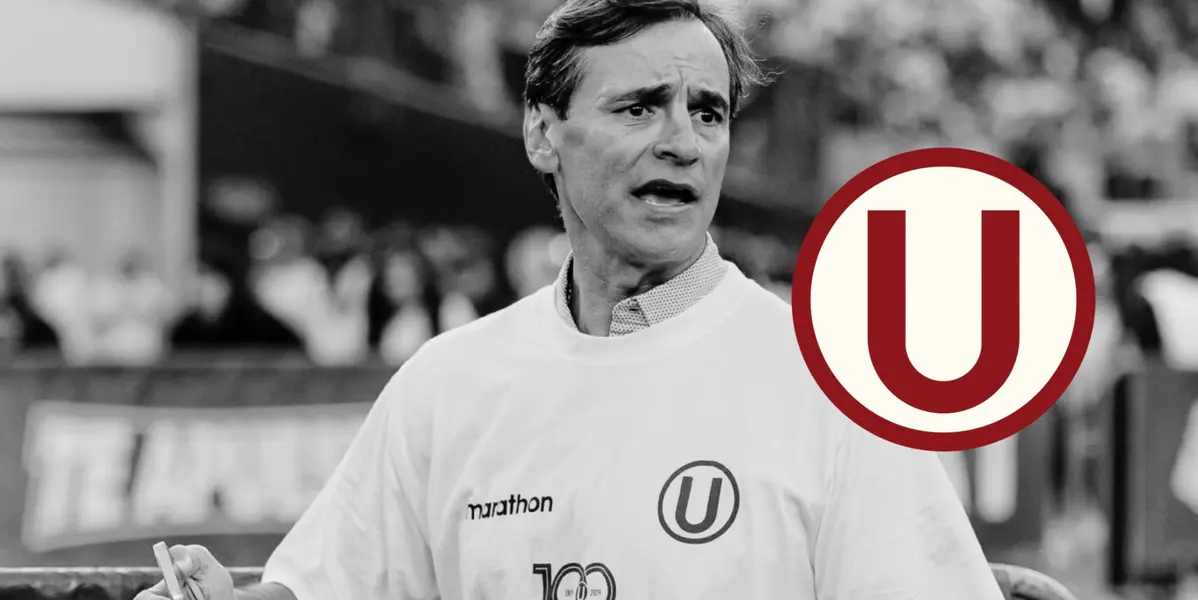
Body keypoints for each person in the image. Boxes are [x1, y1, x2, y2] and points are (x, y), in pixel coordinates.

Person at [137, 1, 1006, 598]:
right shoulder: (450, 384)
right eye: (640, 108)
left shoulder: (830, 384)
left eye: (708, 113)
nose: (683, 142)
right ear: (542, 133)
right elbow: (330, 582)